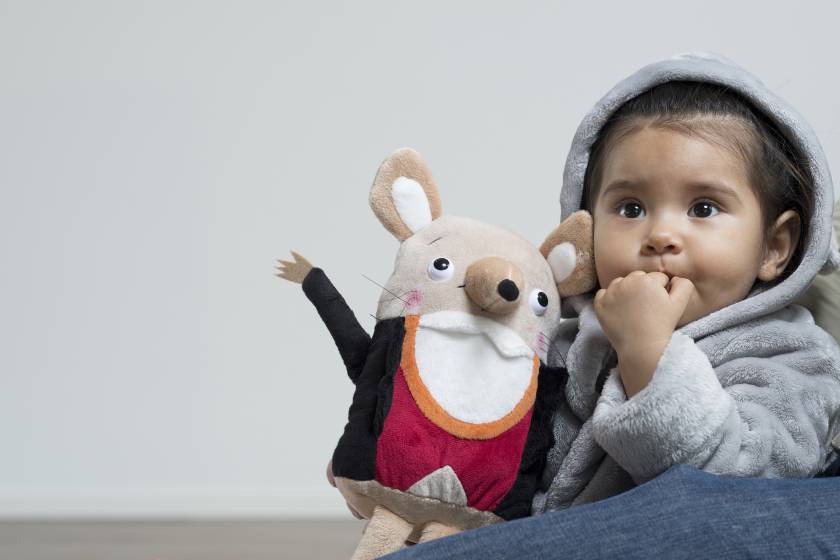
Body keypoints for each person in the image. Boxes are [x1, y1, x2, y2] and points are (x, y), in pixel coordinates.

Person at [377, 52, 840, 558]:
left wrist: (649, 353)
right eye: (631, 208)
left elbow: (741, 493)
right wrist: (395, 455)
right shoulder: (569, 339)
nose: (661, 234)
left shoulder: (791, 354)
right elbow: (492, 438)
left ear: (775, 245)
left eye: (703, 208)